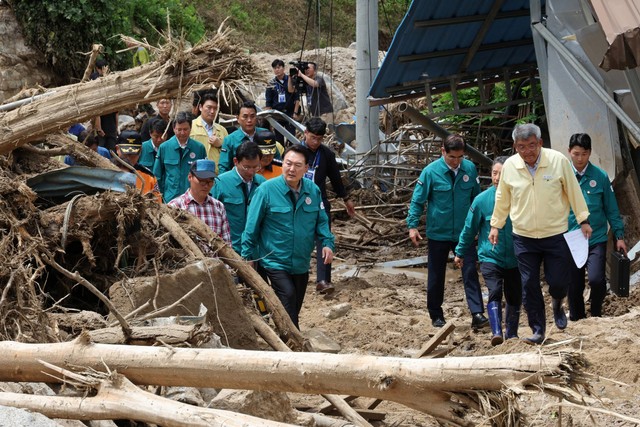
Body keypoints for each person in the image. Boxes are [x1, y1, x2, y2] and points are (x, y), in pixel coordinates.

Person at [489, 123, 591, 345]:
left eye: (531, 145)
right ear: (515, 146)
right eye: (521, 147)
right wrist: (496, 225)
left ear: (540, 143)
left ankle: (557, 302)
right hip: (523, 236)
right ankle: (538, 330)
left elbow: (573, 190)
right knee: (529, 285)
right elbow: (502, 198)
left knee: (557, 282)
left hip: (555, 233)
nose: (527, 151)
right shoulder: (510, 166)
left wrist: (583, 219)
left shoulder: (557, 161)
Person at [242, 145, 334, 329]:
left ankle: (285, 333)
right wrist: (247, 257)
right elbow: (251, 227)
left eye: (297, 165)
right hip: (274, 260)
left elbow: (322, 221)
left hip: (300, 261)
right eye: (288, 163)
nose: (292, 169)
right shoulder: (266, 190)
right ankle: (293, 342)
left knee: (294, 305)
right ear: (282, 163)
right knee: (288, 295)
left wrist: (327, 243)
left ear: (306, 168)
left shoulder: (313, 191)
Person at [407, 134, 486, 329]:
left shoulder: (469, 169)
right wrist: (412, 226)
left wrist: (481, 226)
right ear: (443, 151)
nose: (456, 162)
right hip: (438, 233)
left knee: (469, 272)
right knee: (436, 274)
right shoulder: (430, 172)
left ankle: (477, 314)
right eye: (452, 157)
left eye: (460, 157)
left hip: (464, 233)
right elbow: (418, 200)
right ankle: (436, 314)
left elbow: (477, 200)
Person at [455, 156, 522, 345]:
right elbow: (469, 229)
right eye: (494, 173)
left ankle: (512, 333)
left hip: (516, 257)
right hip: (490, 255)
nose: (498, 178)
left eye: (503, 174)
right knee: (494, 290)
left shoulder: (520, 198)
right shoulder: (481, 200)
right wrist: (460, 252)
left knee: (514, 294)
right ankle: (496, 332)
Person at [567, 133, 626, 320]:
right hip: (571, 237)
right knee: (574, 284)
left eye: (584, 154)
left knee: (596, 279)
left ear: (590, 153)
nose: (579, 158)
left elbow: (611, 209)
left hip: (596, 237)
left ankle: (596, 313)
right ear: (569, 152)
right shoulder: (563, 176)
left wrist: (619, 236)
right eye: (575, 154)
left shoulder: (600, 176)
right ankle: (577, 318)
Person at [301, 117, 355, 294]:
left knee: (324, 238)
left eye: (319, 138)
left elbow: (335, 178)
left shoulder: (327, 154)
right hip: (297, 201)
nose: (315, 142)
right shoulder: (296, 152)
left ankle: (323, 280)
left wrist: (346, 199)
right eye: (312, 137)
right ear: (305, 134)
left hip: (319, 202)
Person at [211, 141, 266, 255]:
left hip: (257, 251)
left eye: (255, 167)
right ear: (236, 161)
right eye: (246, 167)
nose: (251, 172)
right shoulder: (220, 183)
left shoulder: (263, 184)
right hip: (230, 250)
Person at [168, 159, 232, 247]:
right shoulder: (175, 206)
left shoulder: (218, 207)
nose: (206, 185)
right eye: (202, 181)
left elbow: (227, 245)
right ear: (190, 177)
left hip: (215, 260)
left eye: (210, 181)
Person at [152, 111, 207, 203]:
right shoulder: (164, 147)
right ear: (174, 129)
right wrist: (159, 197)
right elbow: (157, 176)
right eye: (179, 129)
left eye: (185, 129)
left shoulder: (199, 148)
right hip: (170, 198)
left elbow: (204, 175)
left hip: (192, 199)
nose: (182, 133)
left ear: (191, 128)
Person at [218, 101, 269, 174]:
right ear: (238, 118)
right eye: (245, 116)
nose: (249, 120)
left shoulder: (265, 134)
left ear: (256, 117)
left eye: (252, 116)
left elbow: (276, 158)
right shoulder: (230, 140)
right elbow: (223, 167)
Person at [113, 130, 161, 202]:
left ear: (141, 150)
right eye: (126, 155)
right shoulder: (107, 171)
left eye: (133, 155)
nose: (128, 159)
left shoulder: (149, 176)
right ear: (117, 149)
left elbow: (158, 204)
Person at [190, 92, 229, 173]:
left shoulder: (222, 130)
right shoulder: (191, 127)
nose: (212, 111)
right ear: (200, 107)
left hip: (217, 175)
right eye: (209, 107)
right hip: (196, 174)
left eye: (215, 108)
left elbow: (229, 153)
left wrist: (220, 145)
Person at [265, 59, 300, 141]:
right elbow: (268, 102)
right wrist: (269, 118)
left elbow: (297, 98)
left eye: (278, 67)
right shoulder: (271, 83)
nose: (277, 70)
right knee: (279, 138)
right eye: (274, 68)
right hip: (277, 114)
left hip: (290, 113)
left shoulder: (290, 80)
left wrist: (295, 113)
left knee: (291, 138)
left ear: (283, 68)